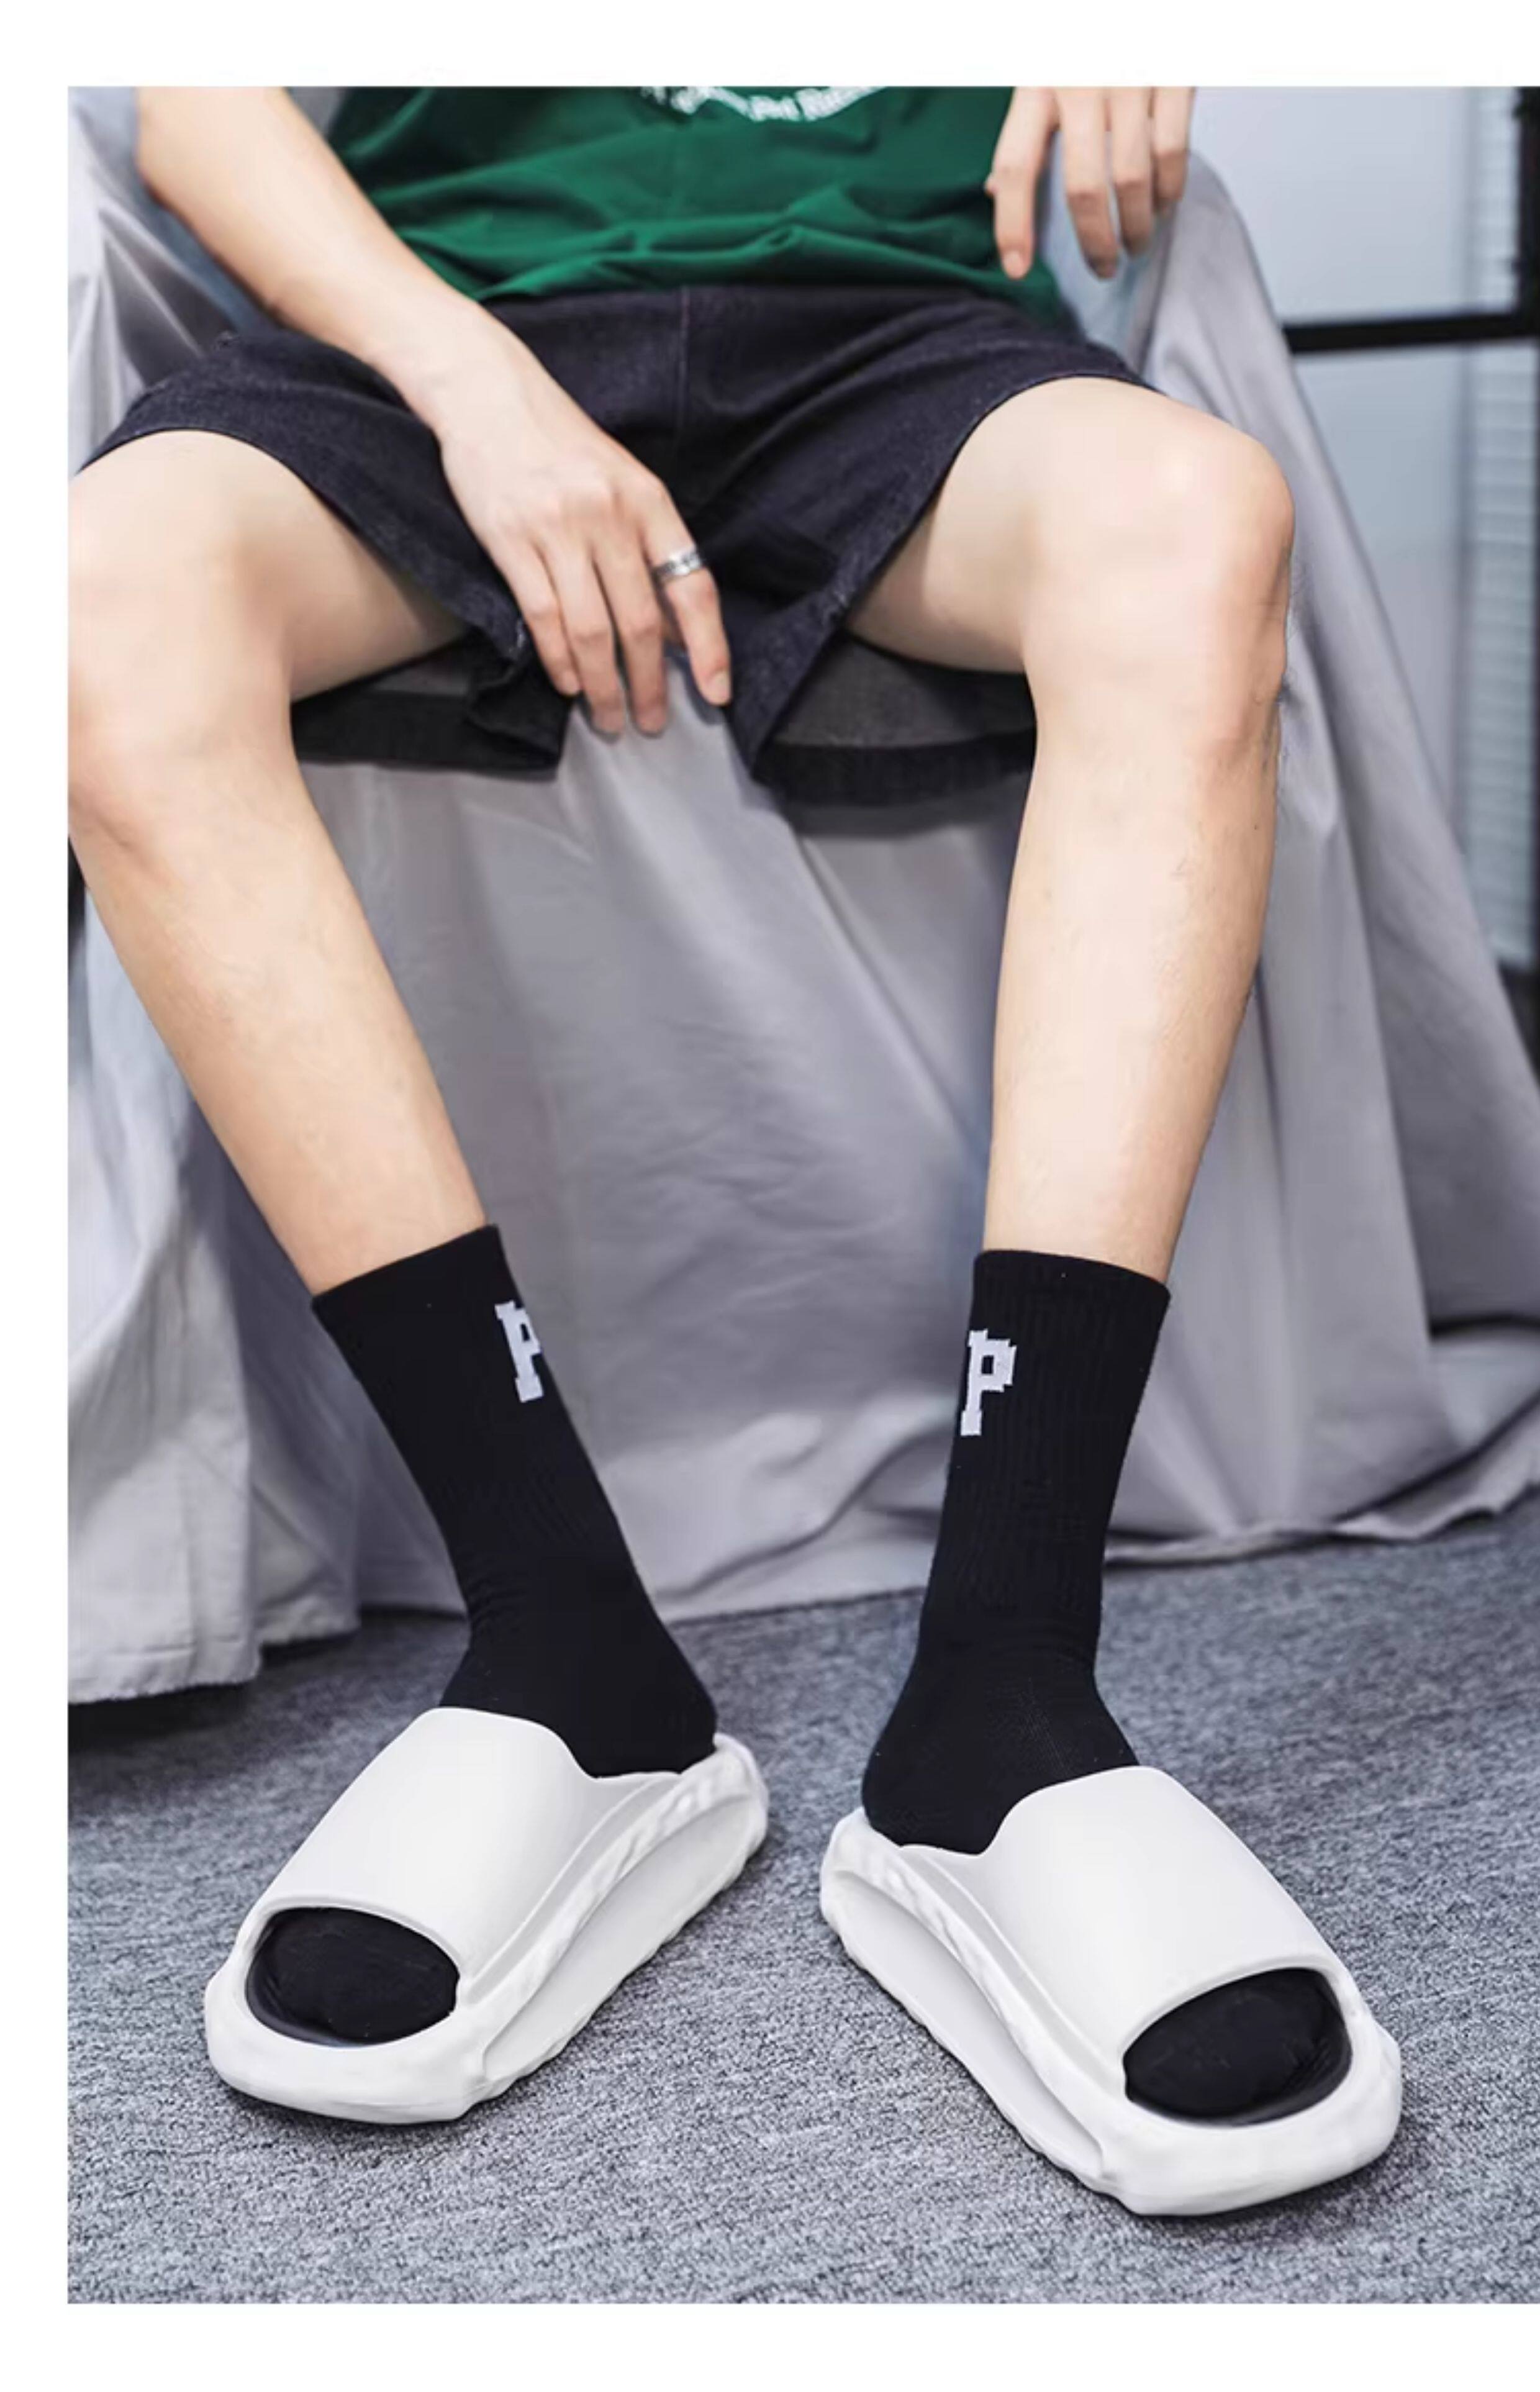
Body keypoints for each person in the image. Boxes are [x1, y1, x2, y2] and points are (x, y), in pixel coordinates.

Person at [69, 86, 1399, 2209]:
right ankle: (571, 1650)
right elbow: (199, 105)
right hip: (445, 323)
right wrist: (475, 387)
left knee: (1192, 517)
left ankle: (1001, 1697)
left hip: (886, 329)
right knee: (100, 597)